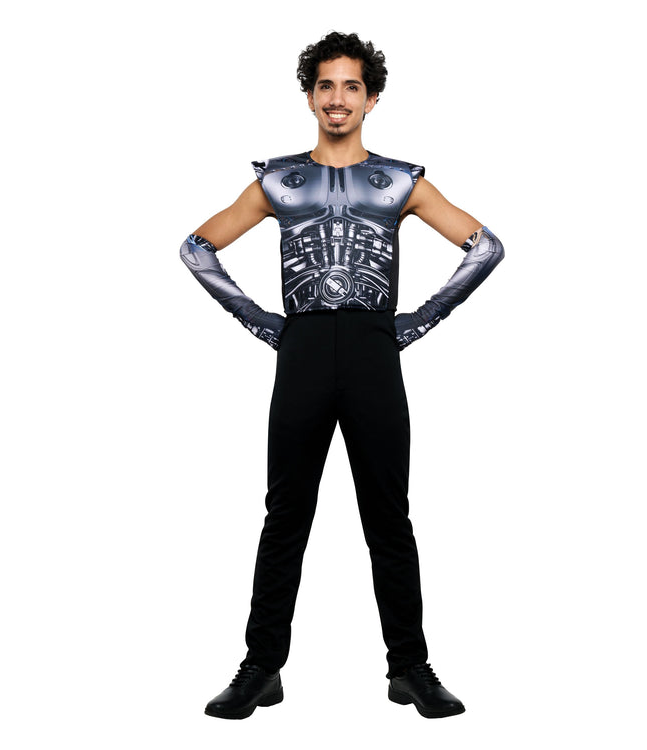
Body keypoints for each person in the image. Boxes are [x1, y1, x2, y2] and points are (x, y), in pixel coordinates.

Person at [180, 31, 504, 720]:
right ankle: (261, 667)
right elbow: (197, 247)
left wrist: (415, 322)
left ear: (371, 98)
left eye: (351, 86)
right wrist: (263, 323)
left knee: (389, 516)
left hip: (372, 350)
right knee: (285, 514)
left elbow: (485, 247)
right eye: (325, 85)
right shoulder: (277, 181)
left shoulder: (401, 182)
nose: (337, 98)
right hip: (300, 349)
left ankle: (410, 668)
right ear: (309, 97)